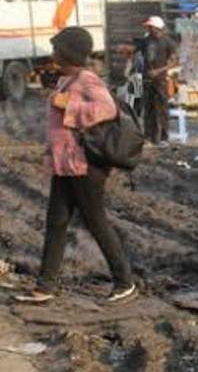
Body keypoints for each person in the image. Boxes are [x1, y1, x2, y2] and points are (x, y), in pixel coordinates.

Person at [15, 27, 136, 304]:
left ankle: (125, 282)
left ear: (68, 52)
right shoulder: (66, 79)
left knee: (96, 222)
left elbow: (107, 109)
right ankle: (46, 285)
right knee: (56, 222)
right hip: (66, 164)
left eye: (57, 48)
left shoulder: (86, 79)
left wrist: (67, 104)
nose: (53, 53)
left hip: (84, 166)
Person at [141, 16, 178, 146]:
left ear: (156, 28)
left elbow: (174, 62)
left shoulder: (168, 42)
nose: (148, 29)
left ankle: (164, 137)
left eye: (150, 27)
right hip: (147, 79)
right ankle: (148, 136)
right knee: (148, 108)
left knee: (162, 108)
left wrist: (159, 71)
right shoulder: (146, 41)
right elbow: (136, 52)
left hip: (160, 80)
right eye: (148, 27)